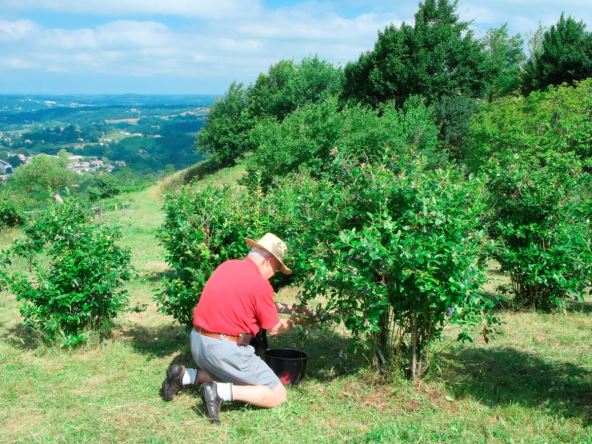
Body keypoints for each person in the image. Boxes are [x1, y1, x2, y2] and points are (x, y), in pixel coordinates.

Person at [161, 232, 298, 423]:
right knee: (278, 394)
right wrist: (296, 323)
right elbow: (274, 328)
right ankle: (220, 392)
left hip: (199, 343)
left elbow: (256, 302)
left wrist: (292, 309)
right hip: (224, 350)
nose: (274, 274)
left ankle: (184, 376)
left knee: (228, 373)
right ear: (268, 261)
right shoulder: (260, 284)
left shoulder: (227, 266)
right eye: (276, 268)